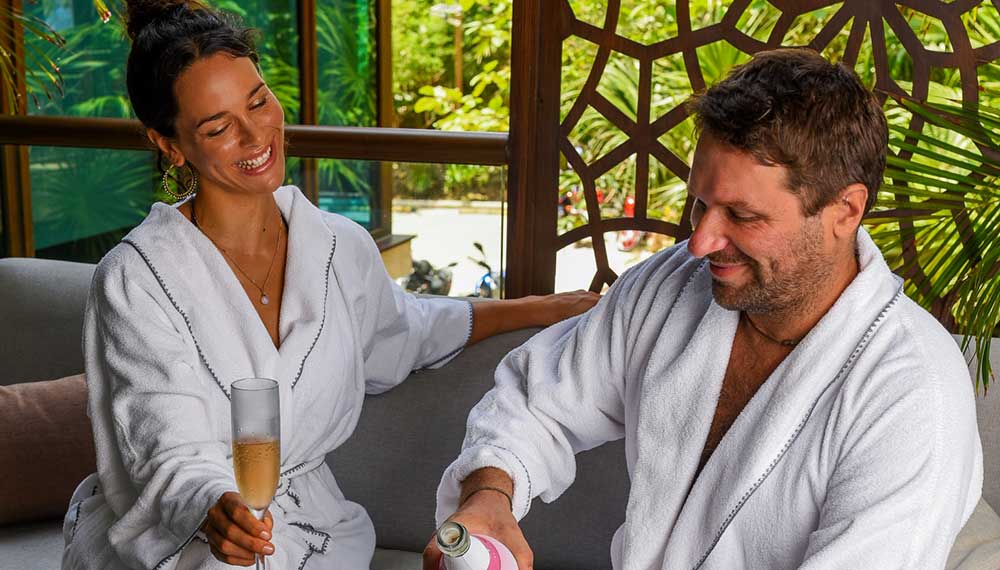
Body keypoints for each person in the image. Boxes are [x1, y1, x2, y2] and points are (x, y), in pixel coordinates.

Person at [59, 2, 599, 569]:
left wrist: (539, 306)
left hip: (313, 534)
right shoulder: (137, 278)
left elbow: (409, 330)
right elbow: (162, 440)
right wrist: (213, 505)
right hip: (180, 539)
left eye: (259, 101)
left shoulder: (337, 247)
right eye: (217, 127)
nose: (254, 135)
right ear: (169, 144)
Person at [426, 48, 983, 570]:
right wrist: (490, 494)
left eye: (742, 216)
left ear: (845, 210)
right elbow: (538, 401)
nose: (700, 241)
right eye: (700, 203)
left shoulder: (911, 394)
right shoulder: (668, 288)